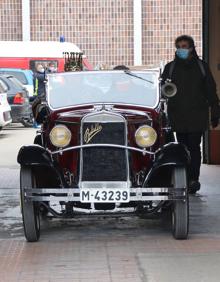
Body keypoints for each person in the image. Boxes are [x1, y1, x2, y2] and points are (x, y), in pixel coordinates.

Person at [162, 35, 220, 194]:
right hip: (178, 115)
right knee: (182, 148)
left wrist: (215, 111)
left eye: (185, 46)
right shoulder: (170, 68)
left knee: (194, 147)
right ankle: (184, 178)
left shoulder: (202, 67)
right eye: (179, 46)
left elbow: (210, 90)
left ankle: (193, 180)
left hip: (197, 115)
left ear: (192, 48)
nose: (181, 49)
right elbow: (162, 89)